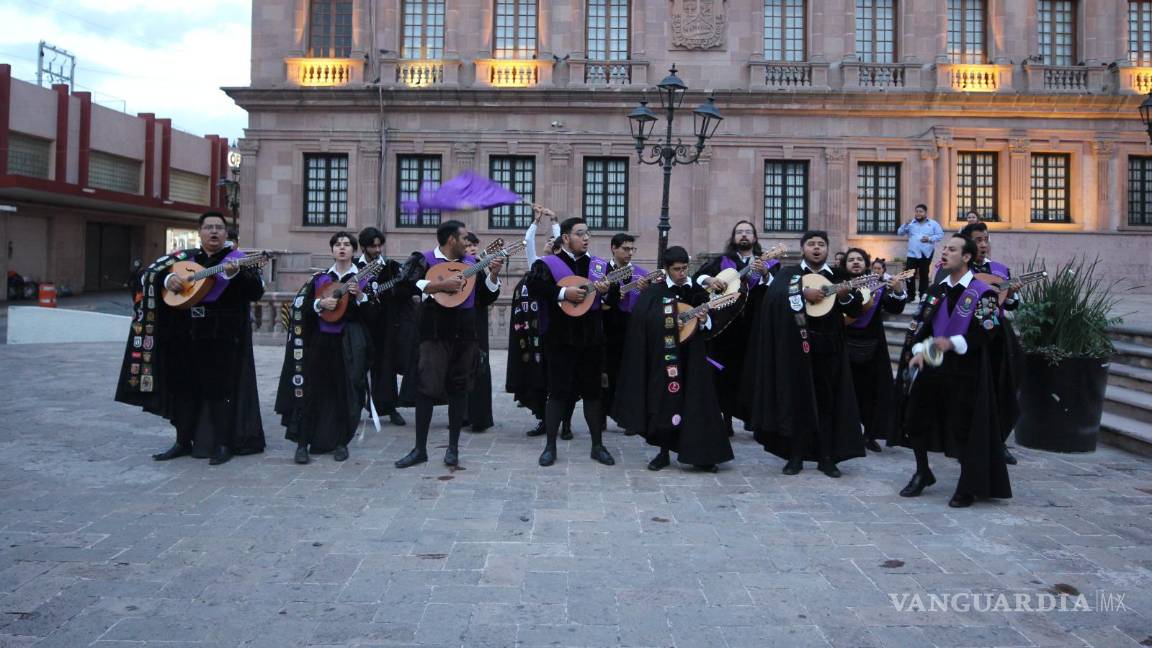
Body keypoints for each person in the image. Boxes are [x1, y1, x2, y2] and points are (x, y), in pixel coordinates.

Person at [116, 212, 266, 465]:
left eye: (219, 227)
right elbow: (145, 277)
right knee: (183, 389)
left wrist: (235, 274)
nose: (214, 232)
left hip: (221, 335)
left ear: (227, 234)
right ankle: (182, 441)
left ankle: (222, 443)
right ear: (200, 232)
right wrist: (167, 278)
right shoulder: (184, 259)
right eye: (209, 227)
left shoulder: (237, 261)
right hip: (183, 334)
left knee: (219, 391)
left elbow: (256, 291)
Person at [891, 234, 1011, 508]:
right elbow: (922, 325)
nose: (944, 253)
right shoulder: (936, 290)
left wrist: (952, 343)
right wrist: (920, 351)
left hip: (964, 371)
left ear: (967, 257)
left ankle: (967, 483)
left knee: (963, 428)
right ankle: (923, 472)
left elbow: (989, 330)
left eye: (952, 249)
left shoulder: (984, 292)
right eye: (944, 249)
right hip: (933, 366)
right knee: (914, 420)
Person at [744, 230, 866, 478]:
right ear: (803, 249)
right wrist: (801, 294)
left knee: (827, 403)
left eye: (821, 244)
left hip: (829, 350)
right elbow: (774, 301)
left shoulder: (838, 276)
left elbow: (855, 308)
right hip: (795, 349)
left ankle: (827, 457)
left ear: (827, 250)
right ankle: (795, 456)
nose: (817, 248)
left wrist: (844, 297)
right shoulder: (789, 275)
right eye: (811, 244)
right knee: (797, 401)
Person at [613, 246, 733, 472]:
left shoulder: (696, 291)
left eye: (685, 268)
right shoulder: (654, 293)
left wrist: (704, 319)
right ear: (666, 270)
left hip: (693, 359)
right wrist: (667, 323)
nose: (682, 273)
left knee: (696, 405)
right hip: (665, 359)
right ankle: (663, 453)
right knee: (665, 404)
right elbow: (643, 324)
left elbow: (709, 326)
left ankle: (701, 455)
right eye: (677, 269)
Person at [394, 220, 504, 468]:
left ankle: (453, 448)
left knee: (459, 389)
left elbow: (484, 298)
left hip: (465, 336)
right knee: (426, 389)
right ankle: (419, 449)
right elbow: (401, 287)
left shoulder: (472, 265)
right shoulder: (422, 260)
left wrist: (494, 275)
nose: (469, 243)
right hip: (434, 335)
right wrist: (437, 286)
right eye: (464, 238)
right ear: (451, 240)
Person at [276, 232, 372, 464]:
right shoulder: (320, 279)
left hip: (346, 345)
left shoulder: (361, 278)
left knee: (344, 394)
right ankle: (302, 444)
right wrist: (320, 304)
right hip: (319, 343)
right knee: (310, 392)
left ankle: (341, 442)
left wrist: (360, 297)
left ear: (353, 250)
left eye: (347, 244)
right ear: (332, 251)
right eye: (337, 244)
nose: (342, 248)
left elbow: (372, 316)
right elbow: (301, 307)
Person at [528, 217, 615, 467]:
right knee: (557, 393)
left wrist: (608, 290)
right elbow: (534, 287)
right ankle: (550, 446)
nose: (586, 238)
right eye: (580, 234)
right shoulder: (548, 264)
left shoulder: (599, 267)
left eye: (588, 233)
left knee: (593, 393)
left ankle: (597, 446)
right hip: (559, 339)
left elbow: (616, 297)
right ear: (565, 238)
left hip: (591, 340)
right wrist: (563, 293)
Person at [693, 220, 777, 436]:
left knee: (754, 373)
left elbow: (777, 290)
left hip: (755, 325)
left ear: (755, 238)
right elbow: (698, 277)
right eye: (739, 232)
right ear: (733, 238)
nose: (744, 236)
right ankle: (726, 419)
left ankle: (755, 421)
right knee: (724, 373)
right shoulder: (722, 262)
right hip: (726, 326)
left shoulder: (769, 263)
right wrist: (710, 280)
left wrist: (766, 275)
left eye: (748, 232)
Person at [959, 221, 1022, 466]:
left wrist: (1013, 292)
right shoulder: (958, 269)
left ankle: (998, 442)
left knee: (1001, 387)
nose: (983, 245)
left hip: (997, 336)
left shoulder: (999, 269)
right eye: (978, 240)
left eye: (986, 239)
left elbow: (1011, 305)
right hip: (968, 336)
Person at [840, 248, 907, 452]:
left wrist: (897, 290)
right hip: (843, 344)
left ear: (866, 264)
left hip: (872, 347)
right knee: (846, 392)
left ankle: (869, 434)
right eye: (851, 259)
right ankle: (845, 434)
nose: (855, 262)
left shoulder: (876, 285)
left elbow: (895, 308)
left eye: (859, 259)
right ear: (845, 265)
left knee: (871, 393)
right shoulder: (838, 285)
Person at [356, 227, 411, 427]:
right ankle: (356, 405)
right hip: (360, 324)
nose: (378, 250)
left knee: (386, 367)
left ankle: (389, 407)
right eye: (373, 246)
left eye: (380, 245)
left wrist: (394, 289)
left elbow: (405, 289)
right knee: (360, 366)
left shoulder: (390, 267)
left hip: (385, 324)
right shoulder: (355, 268)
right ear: (363, 247)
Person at [602, 232, 648, 435]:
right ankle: (601, 414)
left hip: (630, 330)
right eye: (625, 248)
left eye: (632, 249)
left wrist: (646, 290)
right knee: (604, 374)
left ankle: (628, 418)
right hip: (605, 330)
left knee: (628, 375)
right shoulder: (601, 271)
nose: (630, 253)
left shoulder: (639, 274)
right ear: (613, 248)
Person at [462, 231, 495, 433]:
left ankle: (479, 417)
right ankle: (461, 415)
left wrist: (493, 274)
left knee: (480, 367)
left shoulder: (480, 267)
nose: (472, 248)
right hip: (458, 324)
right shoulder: (451, 267)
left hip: (477, 323)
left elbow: (486, 296)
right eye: (467, 245)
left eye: (474, 245)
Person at [896, 204, 944, 303]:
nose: (918, 213)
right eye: (917, 211)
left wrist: (929, 238)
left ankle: (923, 296)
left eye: (920, 211)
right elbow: (900, 233)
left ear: (925, 213)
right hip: (912, 254)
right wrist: (905, 224)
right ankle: (911, 295)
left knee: (924, 275)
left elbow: (940, 235)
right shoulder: (911, 224)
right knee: (909, 275)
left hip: (926, 253)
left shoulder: (933, 223)